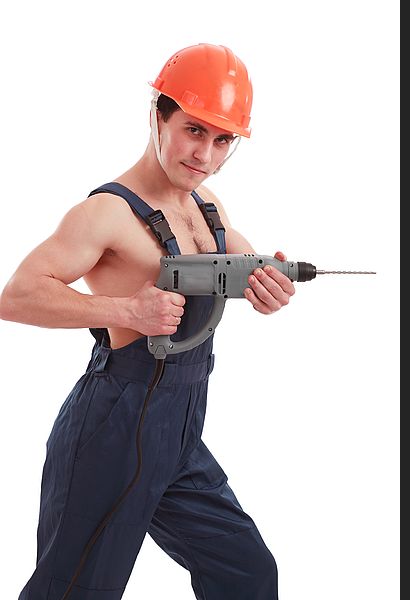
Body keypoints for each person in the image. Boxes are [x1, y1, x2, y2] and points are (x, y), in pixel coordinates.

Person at [0, 43, 295, 600]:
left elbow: (247, 265)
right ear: (157, 115)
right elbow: (15, 296)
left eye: (222, 139)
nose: (205, 153)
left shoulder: (208, 208)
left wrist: (267, 284)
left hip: (179, 433)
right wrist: (125, 310)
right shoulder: (105, 213)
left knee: (247, 573)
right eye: (193, 130)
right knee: (74, 591)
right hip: (112, 426)